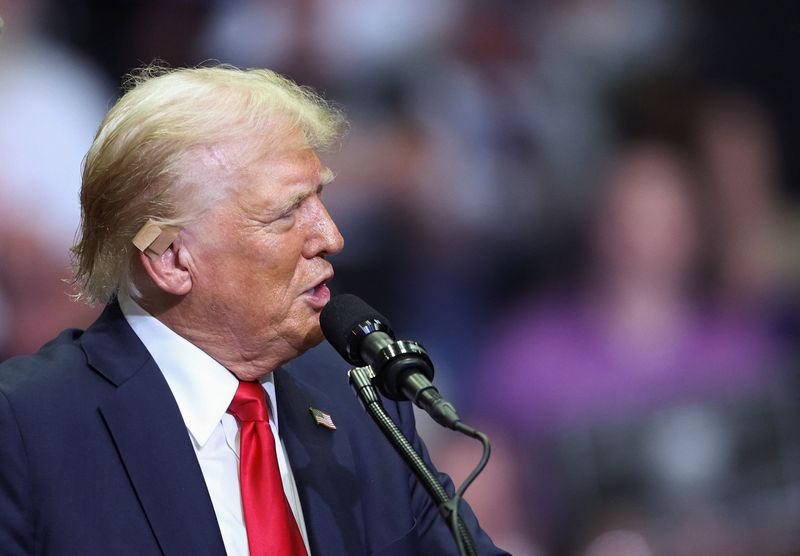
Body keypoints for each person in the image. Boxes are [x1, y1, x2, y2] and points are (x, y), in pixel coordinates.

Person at [0, 64, 504, 556]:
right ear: (171, 259)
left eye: (321, 198)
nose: (331, 237)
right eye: (287, 212)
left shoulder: (364, 402)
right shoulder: (24, 428)